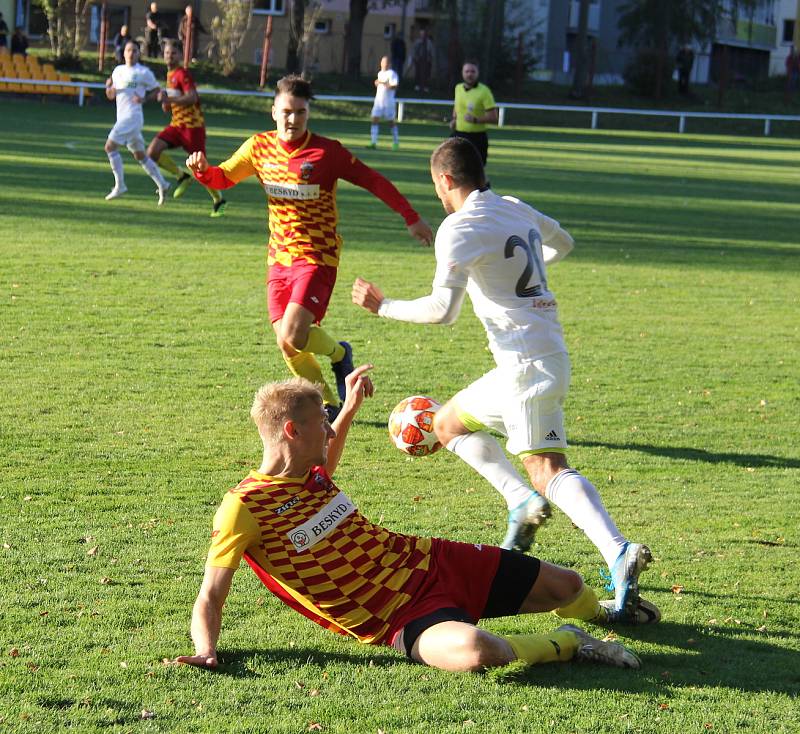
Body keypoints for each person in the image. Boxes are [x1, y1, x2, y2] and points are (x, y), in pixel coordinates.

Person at [352, 138, 656, 621]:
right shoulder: (513, 207)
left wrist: (383, 305)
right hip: (541, 357)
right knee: (446, 423)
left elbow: (442, 311)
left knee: (548, 467)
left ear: (445, 180)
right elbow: (564, 243)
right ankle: (520, 504)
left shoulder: (457, 228)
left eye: (437, 187)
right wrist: (518, 278)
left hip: (525, 369)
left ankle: (617, 551)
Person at [175, 366, 644, 673]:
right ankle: (569, 642)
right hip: (396, 617)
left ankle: (607, 613)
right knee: (479, 652)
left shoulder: (311, 476)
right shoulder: (244, 507)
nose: (330, 425)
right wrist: (205, 649)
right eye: (324, 419)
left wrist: (352, 408)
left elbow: (325, 462)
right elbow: (210, 595)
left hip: (431, 562)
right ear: (292, 431)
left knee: (567, 586)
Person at [185, 75, 433, 421]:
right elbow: (222, 176)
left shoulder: (326, 152)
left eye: (300, 112)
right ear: (274, 111)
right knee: (287, 342)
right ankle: (329, 399)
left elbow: (372, 179)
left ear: (307, 114)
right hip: (279, 259)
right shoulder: (258, 147)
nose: (293, 119)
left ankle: (335, 358)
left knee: (293, 333)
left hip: (318, 257)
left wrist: (411, 217)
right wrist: (201, 172)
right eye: (287, 111)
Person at [146, 39, 226, 217]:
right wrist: (166, 104)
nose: (169, 56)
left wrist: (170, 100)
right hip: (177, 125)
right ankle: (181, 176)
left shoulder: (182, 74)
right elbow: (172, 104)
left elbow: (192, 97)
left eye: (173, 53)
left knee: (200, 167)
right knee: (152, 152)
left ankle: (218, 199)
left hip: (193, 128)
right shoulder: (169, 75)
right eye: (167, 53)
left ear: (180, 55)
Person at [103, 40, 170, 204]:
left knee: (109, 147)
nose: (131, 53)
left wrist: (145, 98)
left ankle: (120, 185)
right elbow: (111, 95)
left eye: (134, 50)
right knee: (140, 155)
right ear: (123, 53)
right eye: (128, 50)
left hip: (133, 117)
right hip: (123, 117)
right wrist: (108, 89)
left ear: (139, 53)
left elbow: (157, 90)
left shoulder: (143, 72)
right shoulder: (117, 71)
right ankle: (163, 184)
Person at [450, 60, 498, 167]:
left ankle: (484, 184)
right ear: (462, 73)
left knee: (478, 170)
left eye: (472, 71)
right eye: (467, 71)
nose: (469, 74)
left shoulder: (484, 91)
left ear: (477, 73)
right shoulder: (458, 88)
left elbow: (494, 117)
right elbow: (457, 105)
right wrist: (454, 118)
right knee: (454, 166)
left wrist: (475, 120)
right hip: (459, 134)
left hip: (477, 137)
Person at [368, 56, 400, 150]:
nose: (384, 64)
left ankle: (396, 143)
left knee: (391, 122)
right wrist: (377, 83)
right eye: (382, 62)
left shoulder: (392, 74)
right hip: (378, 102)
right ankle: (373, 142)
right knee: (374, 120)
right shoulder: (380, 73)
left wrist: (383, 83)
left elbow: (394, 86)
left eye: (386, 62)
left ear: (389, 64)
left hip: (388, 102)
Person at [410, 28, 434, 92]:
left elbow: (431, 51)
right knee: (418, 73)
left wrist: (430, 58)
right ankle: (417, 86)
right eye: (421, 34)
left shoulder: (429, 42)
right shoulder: (417, 42)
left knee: (426, 74)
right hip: (419, 60)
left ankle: (425, 86)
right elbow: (414, 50)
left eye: (423, 34)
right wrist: (414, 57)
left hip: (427, 60)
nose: (422, 35)